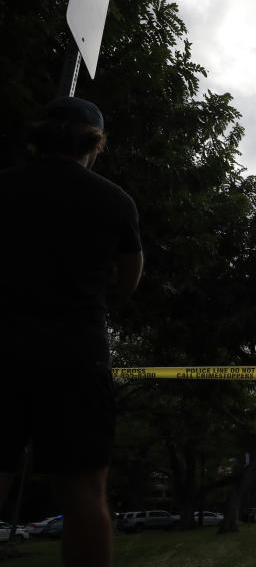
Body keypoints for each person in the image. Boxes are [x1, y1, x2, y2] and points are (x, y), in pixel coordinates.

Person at [0, 97, 143, 567]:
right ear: (95, 144)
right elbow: (127, 281)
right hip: (76, 355)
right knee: (84, 494)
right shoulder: (114, 201)